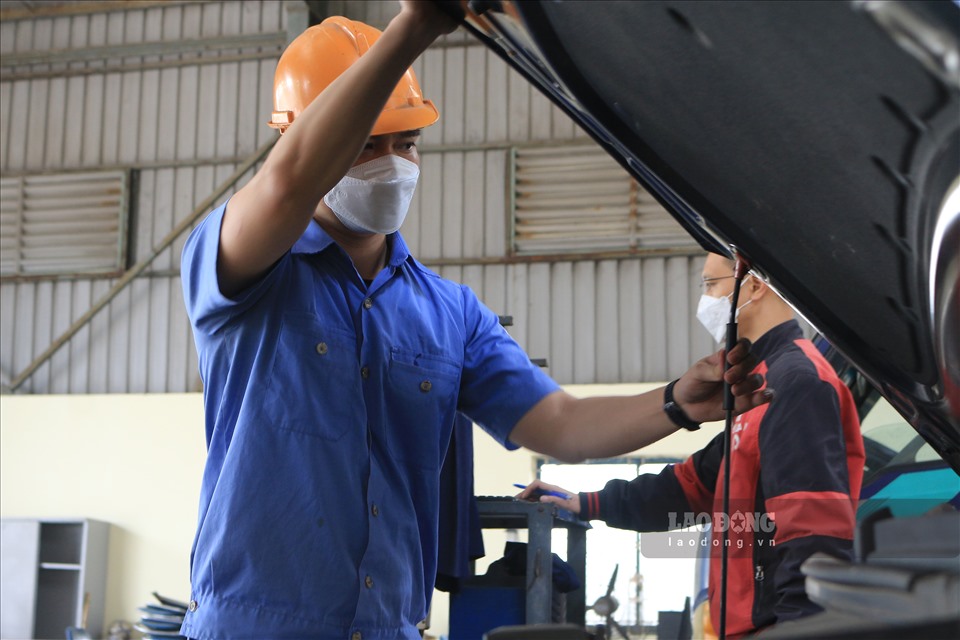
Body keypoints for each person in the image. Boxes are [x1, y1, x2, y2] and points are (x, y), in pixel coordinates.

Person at [179, 3, 770, 638]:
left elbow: (561, 424)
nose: (392, 164)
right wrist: (419, 23)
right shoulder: (242, 268)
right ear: (303, 139)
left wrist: (675, 404)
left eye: (405, 144)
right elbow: (288, 184)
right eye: (364, 146)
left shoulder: (450, 313)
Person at [520, 252, 865, 638]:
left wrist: (803, 630)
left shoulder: (796, 381)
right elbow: (692, 486)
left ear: (754, 285)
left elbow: (812, 530)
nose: (706, 300)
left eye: (711, 284)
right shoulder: (755, 384)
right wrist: (588, 503)